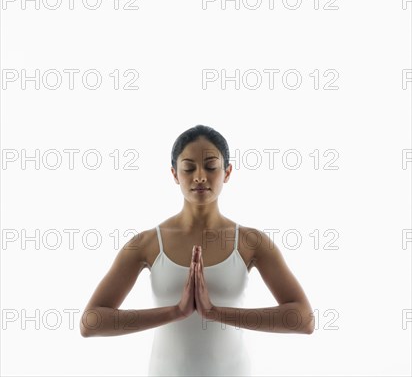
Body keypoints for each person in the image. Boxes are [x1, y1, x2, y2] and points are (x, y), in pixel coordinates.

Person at [80, 124, 315, 376]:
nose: (200, 176)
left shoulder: (251, 242)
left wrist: (214, 312)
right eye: (189, 167)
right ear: (174, 174)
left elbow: (303, 319)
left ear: (227, 172)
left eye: (211, 166)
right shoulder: (146, 244)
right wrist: (175, 311)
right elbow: (91, 322)